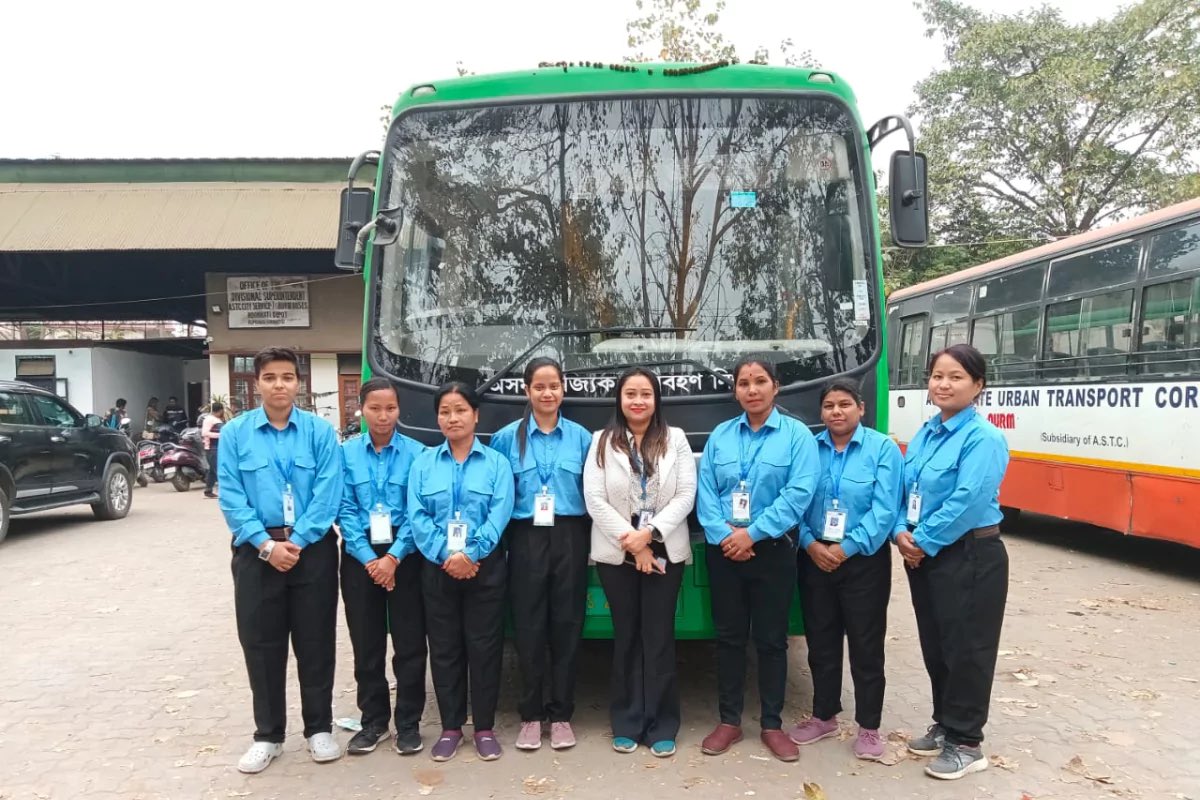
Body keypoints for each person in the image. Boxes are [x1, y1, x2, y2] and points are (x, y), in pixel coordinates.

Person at [217, 347, 344, 774]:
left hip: (313, 553)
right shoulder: (236, 434)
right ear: (258, 384)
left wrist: (300, 541)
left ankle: (319, 729)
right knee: (262, 645)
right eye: (270, 377)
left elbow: (329, 494)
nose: (279, 385)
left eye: (287, 377)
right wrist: (267, 546)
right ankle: (268, 735)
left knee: (316, 643)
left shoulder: (320, 433)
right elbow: (231, 497)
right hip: (257, 554)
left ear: (299, 383)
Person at [696, 357, 819, 763]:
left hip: (772, 550)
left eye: (760, 381)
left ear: (776, 387)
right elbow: (706, 492)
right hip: (725, 550)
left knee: (770, 641)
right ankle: (729, 721)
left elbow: (799, 493)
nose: (752, 389)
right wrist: (726, 536)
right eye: (744, 383)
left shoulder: (797, 436)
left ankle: (771, 724)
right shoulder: (720, 436)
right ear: (735, 390)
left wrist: (753, 533)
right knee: (729, 638)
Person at [896, 344, 1010, 781]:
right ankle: (945, 722)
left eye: (956, 376)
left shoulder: (984, 439)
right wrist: (901, 533)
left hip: (970, 554)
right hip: (925, 553)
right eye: (937, 375)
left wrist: (921, 540)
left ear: (978, 385)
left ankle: (967, 742)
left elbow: (968, 501)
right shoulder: (927, 433)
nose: (943, 384)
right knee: (938, 643)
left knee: (968, 648)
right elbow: (908, 489)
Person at [583, 367, 695, 759]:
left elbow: (685, 495)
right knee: (627, 637)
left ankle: (662, 724)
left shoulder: (676, 439)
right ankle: (628, 722)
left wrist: (650, 536)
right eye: (630, 393)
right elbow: (594, 499)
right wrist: (633, 544)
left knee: (659, 638)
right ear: (619, 399)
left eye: (645, 394)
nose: (638, 401)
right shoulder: (601, 441)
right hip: (617, 553)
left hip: (664, 548)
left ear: (656, 399)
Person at [788, 378, 902, 760]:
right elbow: (796, 500)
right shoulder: (809, 447)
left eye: (844, 404)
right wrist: (811, 544)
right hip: (814, 556)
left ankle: (869, 727)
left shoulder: (882, 449)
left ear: (861, 408)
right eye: (829, 406)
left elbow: (885, 509)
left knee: (866, 644)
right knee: (820, 642)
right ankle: (824, 716)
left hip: (863, 562)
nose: (836, 412)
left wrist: (847, 547)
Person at [490, 358, 592, 752]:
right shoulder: (504, 439)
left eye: (554, 386)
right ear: (527, 391)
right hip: (525, 535)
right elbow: (498, 494)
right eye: (539, 386)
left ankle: (562, 714)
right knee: (529, 627)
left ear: (563, 390)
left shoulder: (582, 437)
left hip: (570, 533)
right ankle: (531, 715)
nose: (547, 393)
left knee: (567, 625)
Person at [408, 382, 514, 763]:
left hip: (483, 568)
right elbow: (417, 515)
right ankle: (451, 726)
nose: (453, 418)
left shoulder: (497, 464)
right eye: (445, 411)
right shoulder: (423, 464)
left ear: (475, 415)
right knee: (446, 648)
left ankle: (484, 727)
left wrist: (471, 554)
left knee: (485, 648)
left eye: (460, 410)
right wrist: (445, 555)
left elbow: (500, 513)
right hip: (437, 568)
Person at [337, 378, 428, 757]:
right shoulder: (344, 454)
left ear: (399, 410)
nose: (383, 415)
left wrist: (393, 557)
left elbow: (418, 510)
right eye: (375, 408)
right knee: (367, 644)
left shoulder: (420, 454)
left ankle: (408, 724)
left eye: (390, 408)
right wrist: (370, 559)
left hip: (405, 556)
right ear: (362, 409)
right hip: (360, 558)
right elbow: (343, 508)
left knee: (409, 644)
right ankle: (373, 721)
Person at [201, 402, 226, 499]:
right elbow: (205, 433)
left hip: (218, 448)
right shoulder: (209, 419)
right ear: (220, 410)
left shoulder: (216, 419)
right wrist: (220, 435)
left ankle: (208, 490)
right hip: (212, 449)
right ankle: (225, 492)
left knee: (212, 471)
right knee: (219, 470)